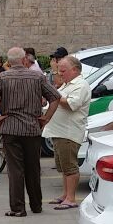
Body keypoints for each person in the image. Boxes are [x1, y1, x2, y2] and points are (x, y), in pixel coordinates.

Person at [0, 47, 61, 217]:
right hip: (32, 128)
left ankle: (18, 208)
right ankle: (36, 205)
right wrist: (46, 118)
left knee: (15, 169)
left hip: (10, 128)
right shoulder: (37, 77)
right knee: (33, 168)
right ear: (24, 60)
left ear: (9, 61)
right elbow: (55, 97)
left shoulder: (2, 77)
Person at [43, 55, 91, 210]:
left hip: (69, 133)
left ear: (75, 70)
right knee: (63, 167)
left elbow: (72, 104)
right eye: (59, 70)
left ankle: (71, 198)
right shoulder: (66, 85)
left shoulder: (81, 85)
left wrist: (53, 93)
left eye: (63, 70)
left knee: (70, 167)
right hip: (59, 132)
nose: (60, 74)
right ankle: (65, 195)